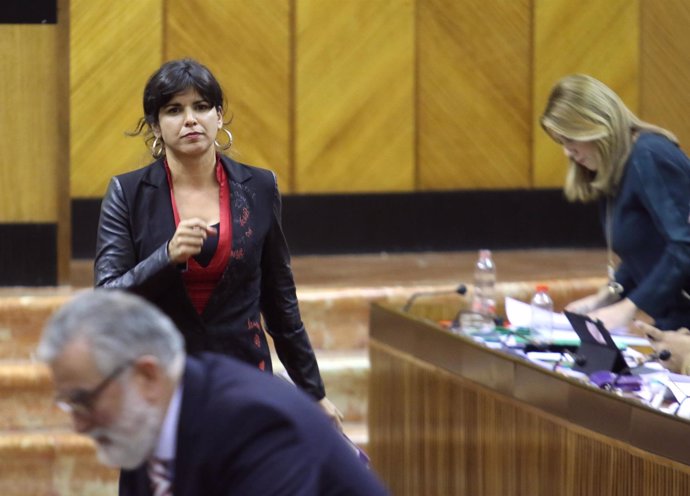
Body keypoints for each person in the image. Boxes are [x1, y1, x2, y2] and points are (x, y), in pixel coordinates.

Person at [94, 58, 342, 427]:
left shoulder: (259, 187)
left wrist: (314, 393)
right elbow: (106, 300)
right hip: (159, 383)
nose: (190, 119)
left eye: (202, 106)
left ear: (219, 116)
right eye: (174, 110)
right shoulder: (128, 193)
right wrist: (167, 256)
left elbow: (280, 302)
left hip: (243, 376)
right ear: (155, 127)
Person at [36, 290, 389, 495]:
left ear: (147, 375)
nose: (79, 426)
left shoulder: (254, 423)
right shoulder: (145, 431)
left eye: (83, 401)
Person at [541, 74, 690, 331]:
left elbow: (684, 243)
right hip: (674, 325)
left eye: (570, 139)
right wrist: (608, 295)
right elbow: (647, 249)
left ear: (594, 125)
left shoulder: (649, 156)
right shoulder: (616, 168)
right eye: (561, 142)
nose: (567, 152)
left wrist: (629, 306)